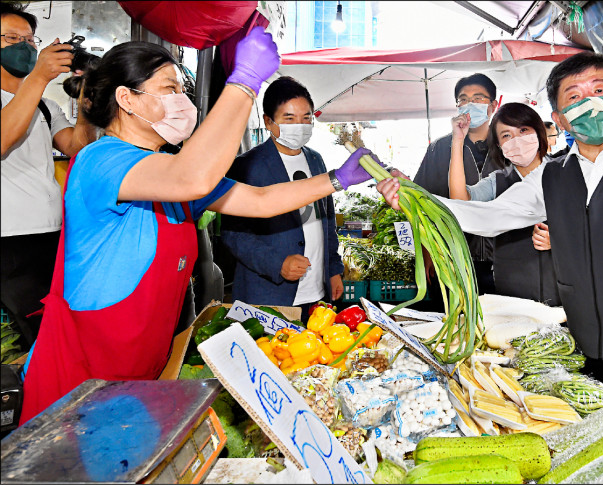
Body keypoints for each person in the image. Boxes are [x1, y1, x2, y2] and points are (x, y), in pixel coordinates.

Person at [20, 30, 378, 424]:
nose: (182, 101)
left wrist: (336, 180)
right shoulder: (101, 160)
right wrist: (244, 83)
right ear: (126, 98)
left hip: (142, 367)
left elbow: (258, 201)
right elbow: (193, 176)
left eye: (182, 89)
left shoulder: (171, 171)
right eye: (169, 88)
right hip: (84, 371)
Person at [379, 52, 603, 442]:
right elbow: (490, 216)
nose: (589, 101)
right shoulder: (553, 174)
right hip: (594, 361)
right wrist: (416, 199)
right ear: (560, 118)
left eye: (600, 89)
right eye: (573, 96)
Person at [1, 2, 95, 351]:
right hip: (9, 238)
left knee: (55, 330)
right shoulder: (34, 91)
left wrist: (87, 98)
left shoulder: (45, 104)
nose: (24, 46)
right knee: (28, 339)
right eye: (12, 37)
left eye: (29, 39)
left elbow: (76, 146)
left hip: (51, 233)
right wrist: (39, 77)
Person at [222, 76, 344, 316]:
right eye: (289, 118)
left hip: (316, 291)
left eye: (306, 118)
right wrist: (277, 263)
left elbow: (327, 220)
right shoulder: (246, 166)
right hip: (268, 292)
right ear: (268, 121)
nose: (299, 125)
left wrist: (333, 268)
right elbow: (234, 234)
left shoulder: (316, 159)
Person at [448, 102, 560, 305]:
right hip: (512, 289)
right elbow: (460, 201)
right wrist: (458, 141)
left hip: (561, 286)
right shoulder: (497, 181)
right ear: (499, 145)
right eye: (506, 135)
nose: (516, 140)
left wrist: (560, 240)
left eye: (523, 130)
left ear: (538, 132)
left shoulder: (564, 171)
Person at [413, 73, 505, 297]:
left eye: (478, 98)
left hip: (504, 258)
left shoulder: (509, 145)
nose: (469, 104)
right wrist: (426, 251)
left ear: (494, 105)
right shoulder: (440, 148)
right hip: (453, 256)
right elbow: (422, 202)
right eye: (463, 99)